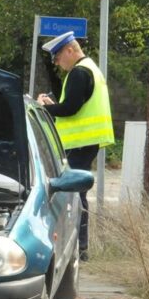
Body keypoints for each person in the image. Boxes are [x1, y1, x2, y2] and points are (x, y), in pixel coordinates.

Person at [37, 31, 115, 262]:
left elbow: (71, 108)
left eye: (59, 57)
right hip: (84, 143)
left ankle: (79, 248)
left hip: (79, 143)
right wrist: (56, 106)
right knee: (76, 194)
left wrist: (43, 109)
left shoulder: (80, 72)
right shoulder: (90, 69)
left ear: (70, 50)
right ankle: (79, 247)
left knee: (73, 195)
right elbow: (73, 106)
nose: (58, 63)